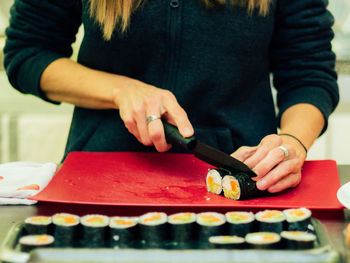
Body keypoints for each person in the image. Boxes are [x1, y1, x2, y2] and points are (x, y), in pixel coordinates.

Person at [3, 0, 339, 194]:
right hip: (99, 181)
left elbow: (309, 73)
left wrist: (292, 143)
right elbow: (27, 52)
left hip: (240, 185)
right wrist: (121, 90)